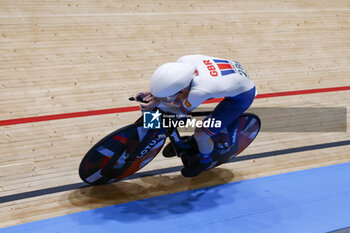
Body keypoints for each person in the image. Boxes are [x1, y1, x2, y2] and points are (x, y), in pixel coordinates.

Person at [135, 54, 256, 177]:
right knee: (174, 101)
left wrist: (158, 102)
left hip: (242, 95)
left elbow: (180, 113)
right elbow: (170, 92)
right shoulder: (183, 62)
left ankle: (205, 161)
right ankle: (187, 142)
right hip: (229, 76)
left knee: (201, 134)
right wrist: (152, 95)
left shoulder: (200, 91)